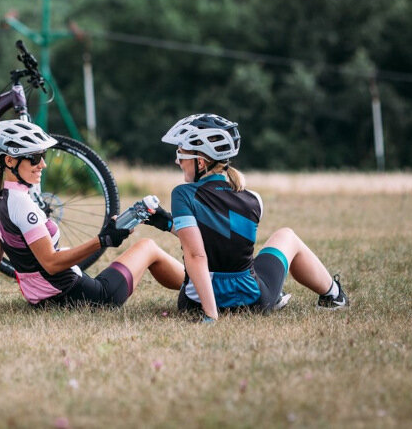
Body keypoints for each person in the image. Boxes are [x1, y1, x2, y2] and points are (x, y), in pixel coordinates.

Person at [146, 113, 349, 322]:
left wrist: (210, 314)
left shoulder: (183, 194)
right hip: (253, 301)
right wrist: (168, 223)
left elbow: (198, 253)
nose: (176, 160)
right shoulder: (254, 199)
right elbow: (221, 238)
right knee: (286, 236)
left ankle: (225, 305)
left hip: (194, 304)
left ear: (199, 161)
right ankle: (333, 295)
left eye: (180, 154)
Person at [0, 119, 183, 312]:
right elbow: (50, 263)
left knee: (146, 249)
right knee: (148, 247)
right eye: (35, 157)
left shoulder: (1, 199)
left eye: (43, 156)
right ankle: (202, 289)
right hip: (89, 298)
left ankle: (199, 287)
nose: (43, 164)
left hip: (47, 299)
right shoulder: (22, 205)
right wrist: (102, 240)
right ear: (10, 161)